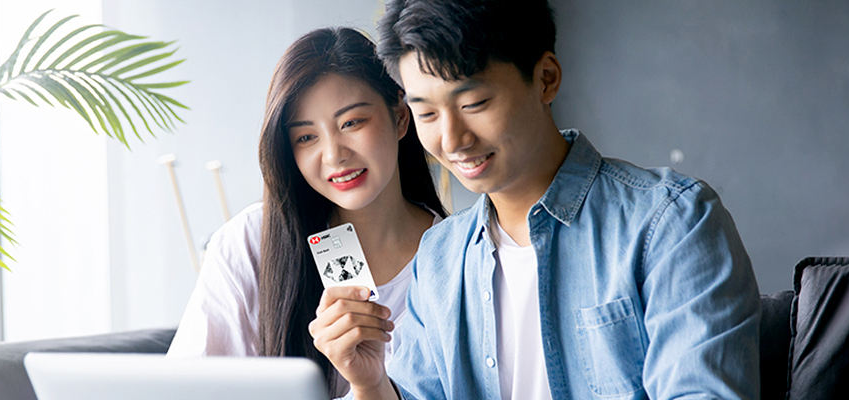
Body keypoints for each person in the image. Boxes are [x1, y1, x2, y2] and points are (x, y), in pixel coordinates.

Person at [309, 1, 762, 399]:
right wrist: (370, 384)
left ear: (545, 79)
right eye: (426, 112)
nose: (453, 140)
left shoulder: (671, 223)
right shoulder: (440, 257)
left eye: (474, 103)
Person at [167, 27, 447, 398]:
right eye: (306, 137)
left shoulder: (456, 257)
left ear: (399, 115)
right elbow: (184, 389)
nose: (333, 155)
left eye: (351, 123)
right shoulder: (250, 242)